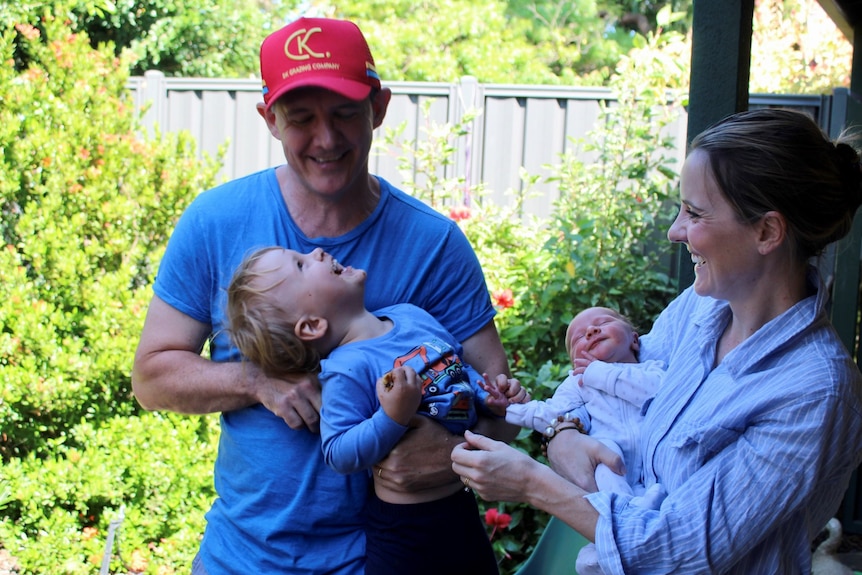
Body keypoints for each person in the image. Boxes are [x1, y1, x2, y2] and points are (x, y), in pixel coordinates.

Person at [131, 16, 515, 575]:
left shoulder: (433, 244)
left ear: (378, 109)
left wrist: (448, 452)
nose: (327, 139)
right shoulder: (217, 221)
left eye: (344, 114)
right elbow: (152, 376)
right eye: (301, 118)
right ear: (269, 119)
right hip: (243, 558)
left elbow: (500, 415)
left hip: (390, 557)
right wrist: (255, 380)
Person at [451, 108, 862, 574]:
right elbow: (610, 391)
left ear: (767, 231)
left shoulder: (813, 392)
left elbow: (678, 547)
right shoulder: (700, 309)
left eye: (695, 213)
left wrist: (532, 484)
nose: (675, 231)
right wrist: (561, 430)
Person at [225, 246, 528, 575]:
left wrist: (490, 399)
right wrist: (391, 417)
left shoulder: (411, 315)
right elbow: (338, 451)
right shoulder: (345, 370)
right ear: (312, 325)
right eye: (301, 265)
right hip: (407, 533)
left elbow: (457, 370)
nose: (317, 252)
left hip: (461, 508)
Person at [504, 306, 666, 574]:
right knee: (603, 455)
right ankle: (624, 519)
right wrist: (507, 409)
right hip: (618, 474)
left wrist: (597, 373)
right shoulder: (577, 383)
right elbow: (551, 414)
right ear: (574, 362)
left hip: (658, 471)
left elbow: (657, 391)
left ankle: (615, 542)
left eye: (603, 323)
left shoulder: (653, 369)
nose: (590, 331)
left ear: (634, 340)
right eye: (578, 338)